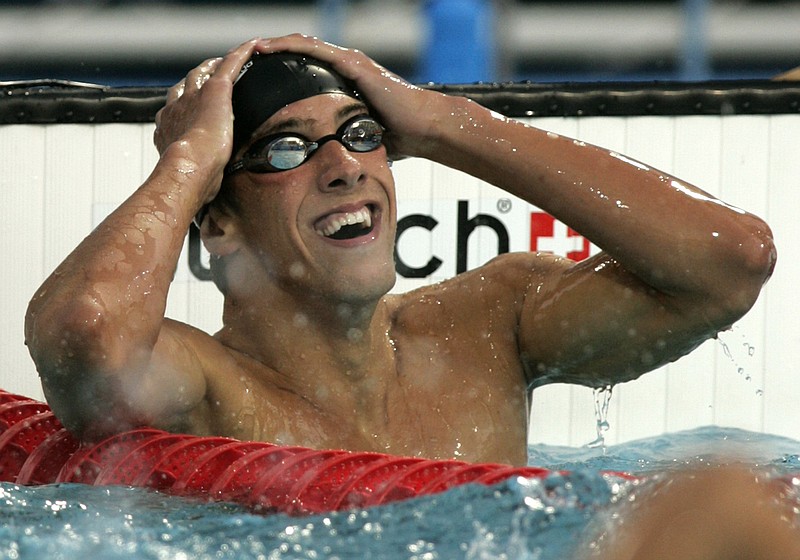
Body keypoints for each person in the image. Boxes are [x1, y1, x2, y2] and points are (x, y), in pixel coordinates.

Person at [24, 35, 775, 467]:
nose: (346, 166)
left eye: (362, 133)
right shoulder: (204, 387)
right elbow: (85, 337)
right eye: (287, 150)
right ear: (215, 224)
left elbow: (729, 263)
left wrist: (448, 123)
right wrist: (189, 158)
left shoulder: (488, 329)